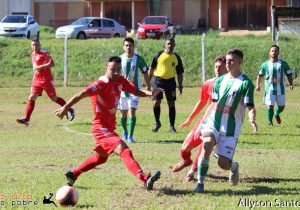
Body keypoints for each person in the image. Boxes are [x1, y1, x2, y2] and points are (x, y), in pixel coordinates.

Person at [55, 56, 161, 190]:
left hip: (109, 127)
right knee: (124, 150)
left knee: (101, 158)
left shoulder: (120, 81)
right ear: (106, 68)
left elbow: (137, 91)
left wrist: (151, 93)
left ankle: (73, 174)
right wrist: (65, 107)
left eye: (118, 69)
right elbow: (81, 94)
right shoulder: (100, 84)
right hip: (101, 129)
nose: (116, 72)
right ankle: (145, 179)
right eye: (113, 69)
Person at [193, 49, 258, 193]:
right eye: (227, 60)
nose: (227, 63)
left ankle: (233, 166)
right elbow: (214, 104)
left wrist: (252, 119)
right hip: (214, 123)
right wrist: (202, 123)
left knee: (223, 164)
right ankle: (200, 184)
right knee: (207, 144)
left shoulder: (246, 83)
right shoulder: (219, 81)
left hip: (230, 129)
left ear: (240, 62)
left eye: (231, 61)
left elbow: (250, 107)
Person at [172, 56, 227, 182]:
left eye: (221, 66)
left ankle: (193, 170)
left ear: (227, 67)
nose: (218, 69)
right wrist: (190, 119)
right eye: (216, 66)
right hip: (206, 119)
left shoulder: (230, 84)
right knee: (185, 147)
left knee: (205, 144)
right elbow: (202, 102)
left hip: (219, 123)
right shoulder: (208, 83)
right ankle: (186, 161)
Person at [16, 39, 74, 126]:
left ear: (40, 45)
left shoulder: (44, 53)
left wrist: (40, 67)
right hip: (36, 80)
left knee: (54, 98)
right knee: (32, 97)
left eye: (36, 45)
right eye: (33, 45)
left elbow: (52, 64)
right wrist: (37, 69)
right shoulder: (33, 54)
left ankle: (69, 109)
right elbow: (35, 67)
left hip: (46, 79)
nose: (34, 47)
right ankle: (26, 119)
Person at [118, 37, 151, 143]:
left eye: (130, 45)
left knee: (132, 111)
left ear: (134, 47)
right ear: (123, 47)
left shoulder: (139, 59)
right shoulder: (119, 59)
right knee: (123, 113)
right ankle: (125, 132)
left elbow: (145, 72)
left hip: (135, 89)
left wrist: (148, 86)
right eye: (126, 45)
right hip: (122, 90)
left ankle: (130, 136)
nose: (128, 47)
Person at [148, 38, 184, 133]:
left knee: (171, 103)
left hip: (171, 82)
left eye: (172, 44)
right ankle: (157, 122)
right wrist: (148, 84)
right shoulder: (159, 55)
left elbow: (179, 73)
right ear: (165, 44)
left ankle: (172, 126)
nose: (170, 45)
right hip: (158, 80)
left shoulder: (176, 57)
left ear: (174, 45)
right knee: (156, 102)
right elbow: (151, 69)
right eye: (168, 44)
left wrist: (180, 86)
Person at [255, 45, 293, 126]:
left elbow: (289, 74)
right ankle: (270, 122)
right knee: (270, 105)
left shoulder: (283, 63)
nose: (274, 52)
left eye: (275, 51)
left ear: (278, 52)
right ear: (269, 52)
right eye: (272, 51)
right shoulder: (265, 64)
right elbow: (259, 75)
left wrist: (291, 84)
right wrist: (257, 85)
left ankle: (276, 113)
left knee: (281, 106)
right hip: (269, 88)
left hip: (281, 88)